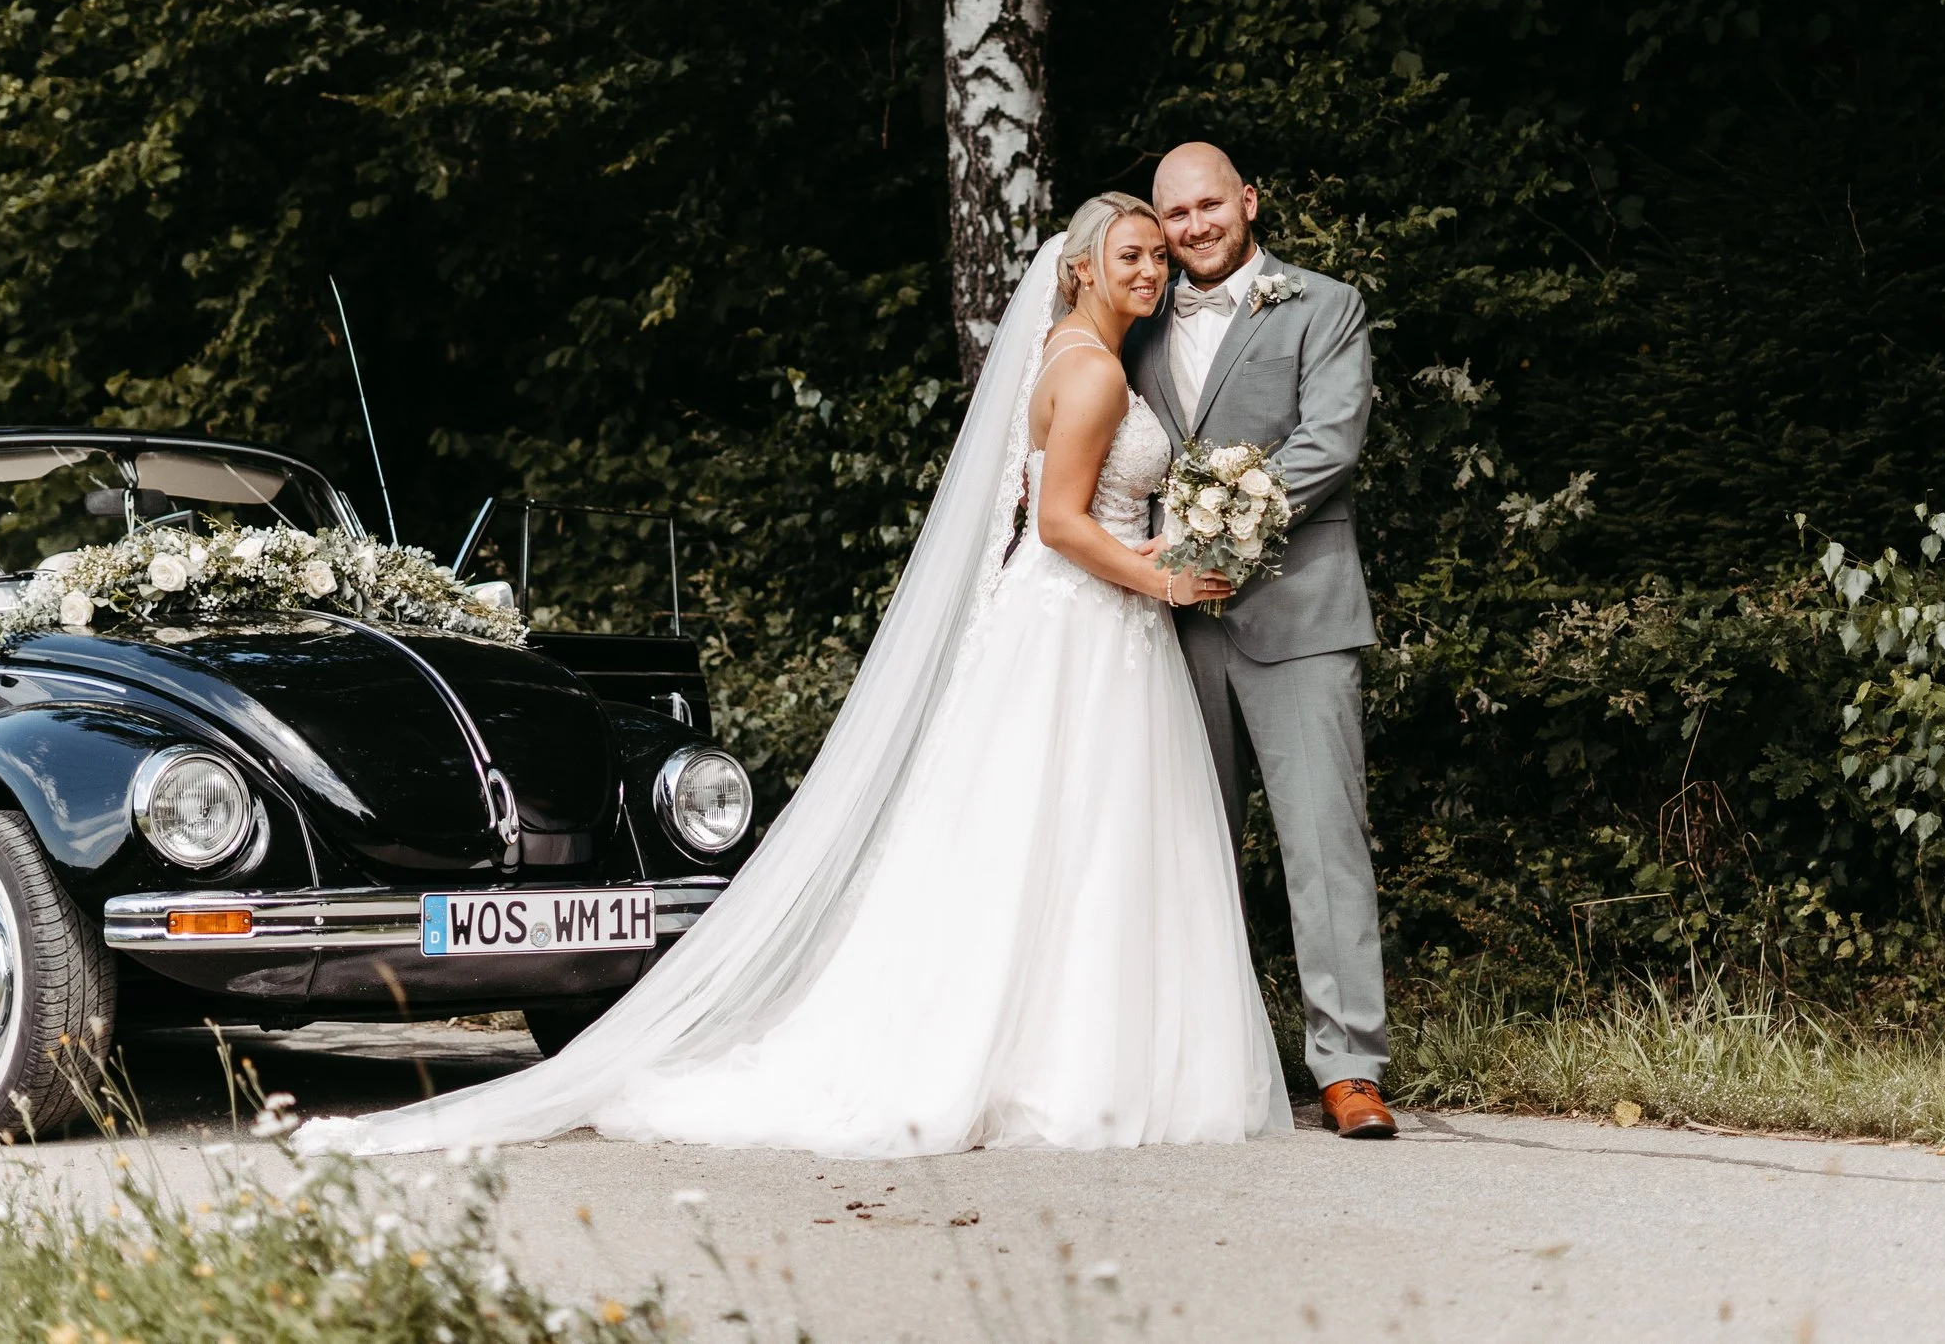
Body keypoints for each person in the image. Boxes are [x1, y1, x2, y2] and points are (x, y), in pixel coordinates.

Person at [298, 192, 1291, 1157]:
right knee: (1079, 833)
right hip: (1090, 616)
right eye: (1133, 256)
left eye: (1159, 257)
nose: (1153, 270)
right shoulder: (1095, 376)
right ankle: (1073, 1061)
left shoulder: (1067, 354)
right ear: (1081, 269)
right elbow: (1064, 524)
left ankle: (1064, 1050)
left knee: (1059, 836)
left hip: (1078, 620)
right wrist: (1162, 577)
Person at [1124, 142, 1396, 1140]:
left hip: (1299, 609)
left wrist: (1201, 532)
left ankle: (1348, 1064)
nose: (1193, 226)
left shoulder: (1322, 304)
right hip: (1166, 622)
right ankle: (1210, 1056)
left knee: (1322, 841)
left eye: (1208, 205)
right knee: (1182, 844)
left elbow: (1329, 442)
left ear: (1245, 201)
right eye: (1175, 214)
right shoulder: (1138, 319)